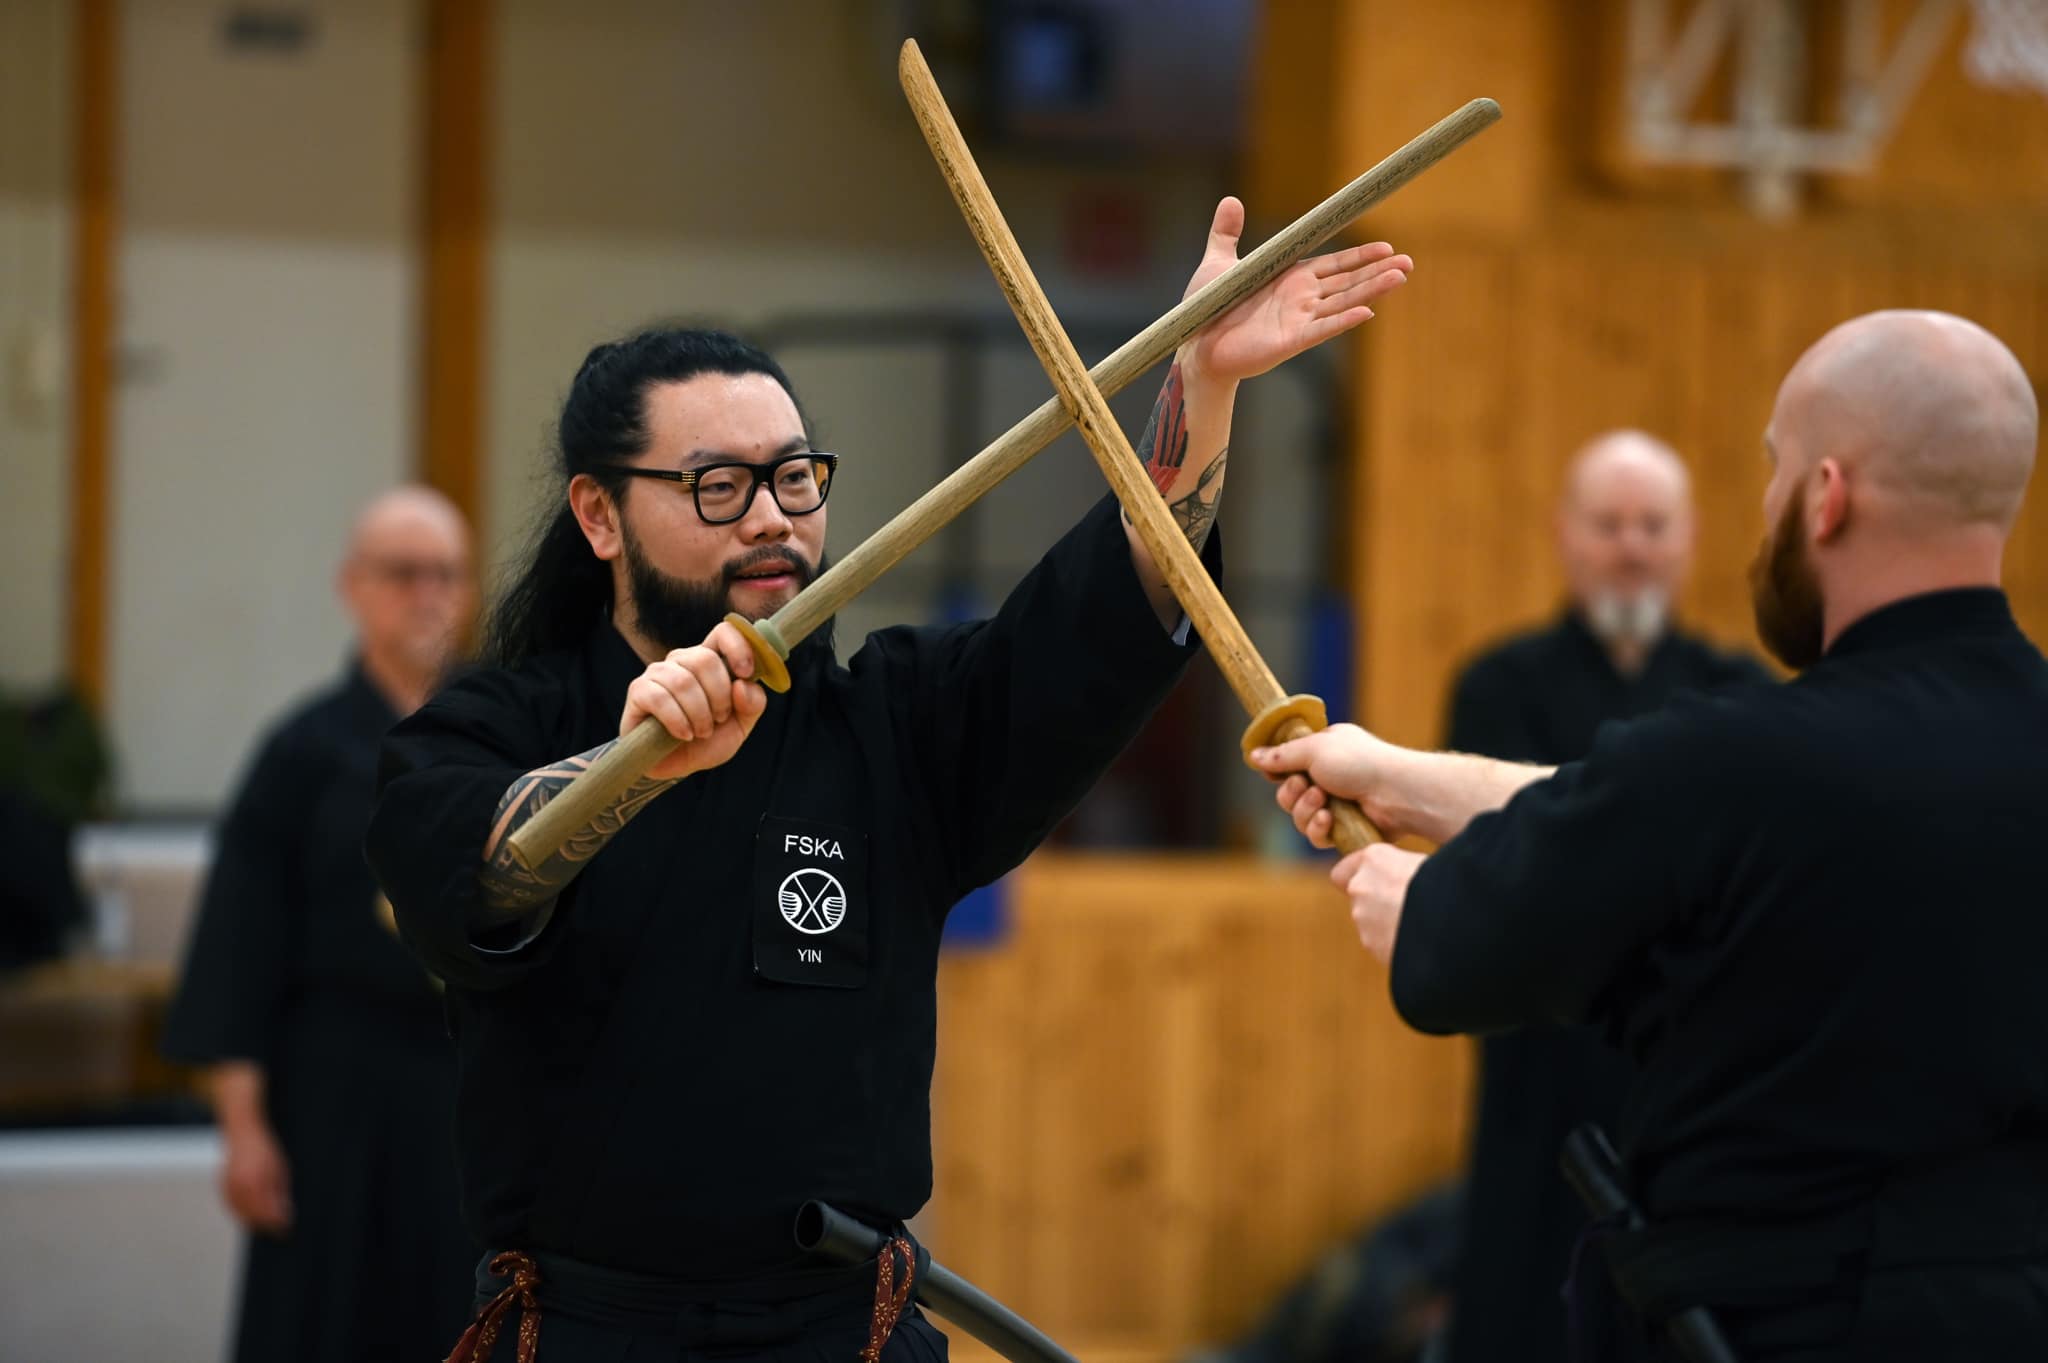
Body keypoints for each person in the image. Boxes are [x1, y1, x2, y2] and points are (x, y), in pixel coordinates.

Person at [365, 199, 1412, 1362]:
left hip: (839, 1324)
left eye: (795, 479)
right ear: (599, 514)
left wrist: (1203, 379)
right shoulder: (491, 725)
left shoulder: (895, 725)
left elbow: (1118, 598)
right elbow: (476, 871)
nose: (771, 519)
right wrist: (640, 758)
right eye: (718, 487)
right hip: (586, 1328)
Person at [1256, 310, 2048, 1361]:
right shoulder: (1791, 766)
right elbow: (1650, 819)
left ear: (1823, 496)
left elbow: (1466, 942)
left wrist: (1412, 892)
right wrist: (1405, 778)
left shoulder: (1747, 751)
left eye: (1771, 471)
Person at [1439, 432, 1770, 1363]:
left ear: (1690, 538)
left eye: (1652, 524)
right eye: (1610, 523)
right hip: (1537, 1079)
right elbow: (1489, 871)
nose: (1632, 544)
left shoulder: (1737, 697)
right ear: (1566, 534)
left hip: (1693, 1084)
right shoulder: (1497, 687)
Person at [163, 486, 479, 1363]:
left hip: (465, 1091)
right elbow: (239, 940)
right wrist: (242, 1124)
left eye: (446, 574)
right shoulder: (301, 750)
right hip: (327, 1093)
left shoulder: (502, 739)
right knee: (319, 1318)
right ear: (353, 586)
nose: (427, 594)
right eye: (403, 572)